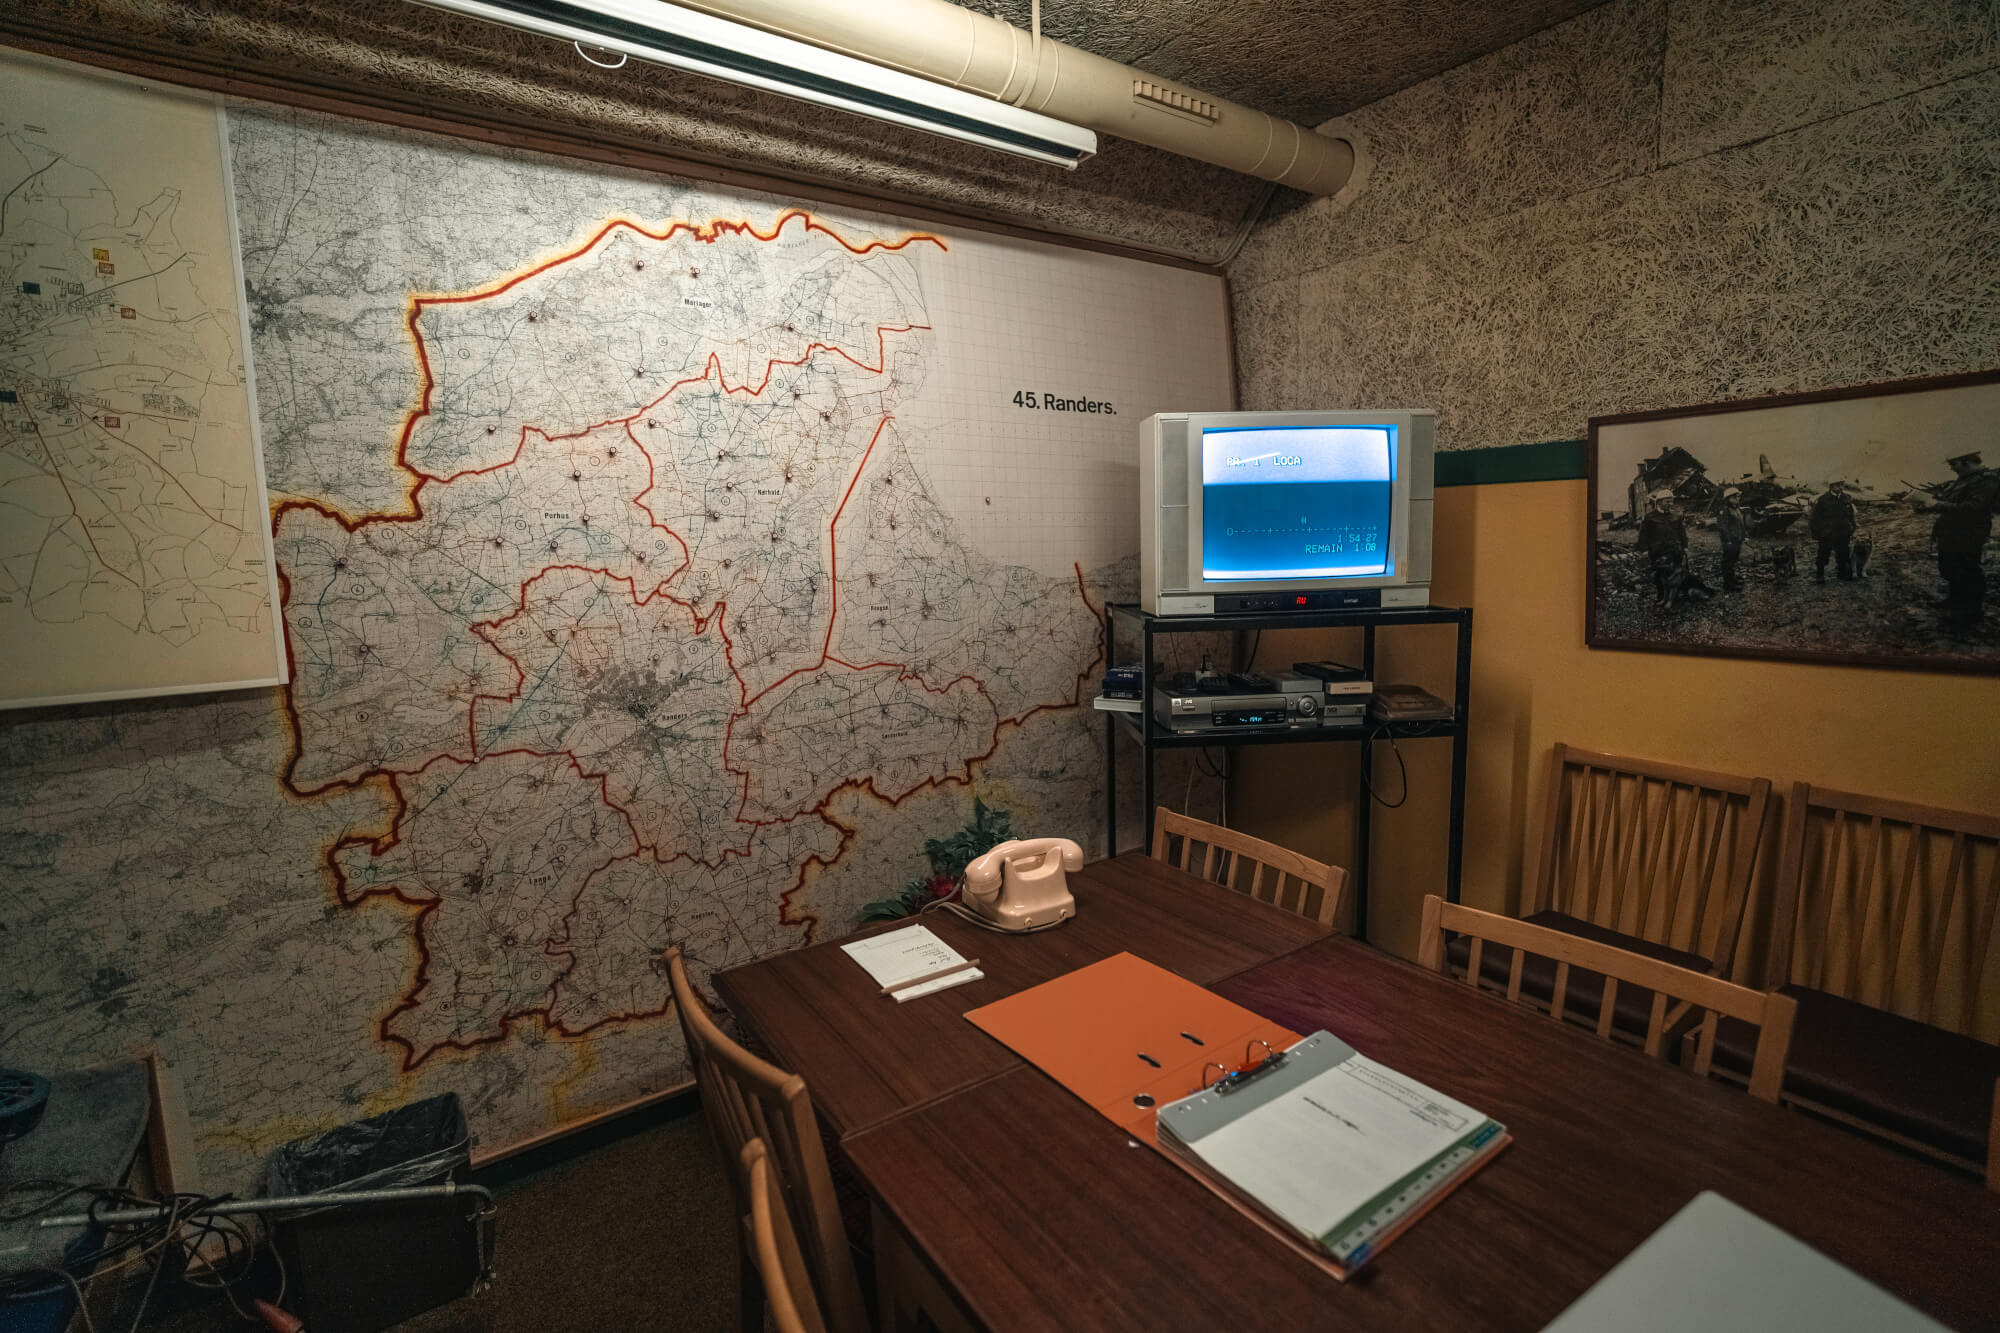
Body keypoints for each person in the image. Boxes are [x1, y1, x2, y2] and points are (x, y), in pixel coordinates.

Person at [1923, 450, 1999, 632]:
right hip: (1951, 531)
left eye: (1954, 464)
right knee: (1950, 567)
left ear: (1966, 462)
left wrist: (1937, 505)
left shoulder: (1986, 480)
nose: (1951, 469)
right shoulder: (1963, 479)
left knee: (1967, 570)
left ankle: (1969, 614)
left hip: (1969, 532)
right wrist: (1925, 503)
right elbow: (1947, 500)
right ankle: (1954, 601)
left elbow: (1973, 507)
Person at [1808, 480, 1856, 582]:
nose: (1841, 487)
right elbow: (1815, 518)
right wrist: (1817, 533)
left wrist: (1852, 528)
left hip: (1843, 532)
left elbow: (1850, 515)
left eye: (1842, 485)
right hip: (1828, 533)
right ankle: (1820, 575)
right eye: (1838, 485)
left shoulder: (1847, 498)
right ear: (1831, 486)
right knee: (1823, 554)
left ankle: (1842, 573)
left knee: (1843, 553)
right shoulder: (1823, 500)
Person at [1714, 492, 1747, 592]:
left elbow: (1741, 524)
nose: (1738, 498)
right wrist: (1727, 540)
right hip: (1730, 541)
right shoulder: (1724, 510)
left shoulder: (1736, 508)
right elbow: (1722, 527)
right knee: (1727, 562)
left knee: (1733, 561)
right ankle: (1728, 586)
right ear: (1728, 498)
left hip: (1737, 539)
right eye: (1735, 497)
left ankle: (1732, 580)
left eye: (1738, 496)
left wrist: (1745, 536)